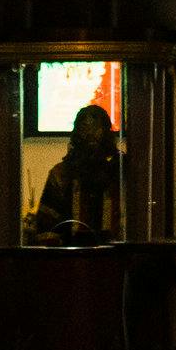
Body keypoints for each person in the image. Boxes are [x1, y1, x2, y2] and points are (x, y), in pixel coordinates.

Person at [26, 101, 122, 246]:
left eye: (96, 128)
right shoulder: (61, 174)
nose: (90, 134)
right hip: (71, 259)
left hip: (116, 258)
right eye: (85, 129)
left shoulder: (122, 170)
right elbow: (46, 228)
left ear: (105, 132)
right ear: (77, 134)